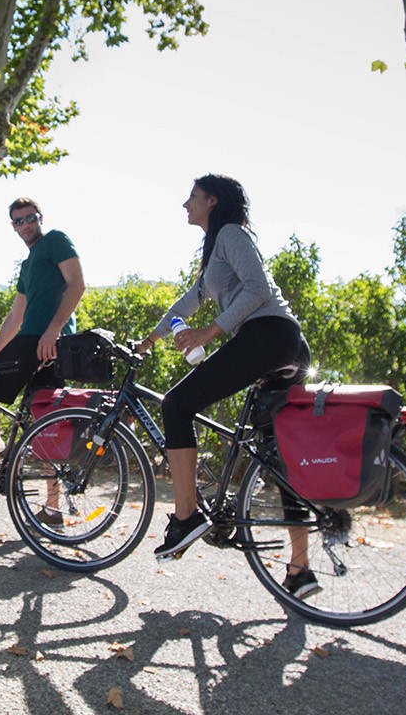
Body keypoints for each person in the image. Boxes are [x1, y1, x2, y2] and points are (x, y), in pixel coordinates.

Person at [133, 174, 319, 598]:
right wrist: (150, 341)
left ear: (214, 201)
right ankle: (300, 570)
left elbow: (257, 288)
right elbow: (189, 300)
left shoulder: (233, 233)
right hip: (282, 343)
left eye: (193, 197)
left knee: (177, 404)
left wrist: (210, 332)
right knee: (278, 457)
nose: (185, 204)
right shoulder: (216, 246)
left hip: (267, 337)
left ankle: (186, 517)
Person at [0, 198, 86, 520]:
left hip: (41, 340)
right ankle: (51, 508)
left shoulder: (55, 240)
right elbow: (15, 315)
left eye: (30, 218)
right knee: (43, 420)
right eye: (19, 221)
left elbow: (78, 284)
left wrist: (53, 330)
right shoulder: (28, 265)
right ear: (12, 226)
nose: (25, 224)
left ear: (41, 217)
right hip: (40, 341)